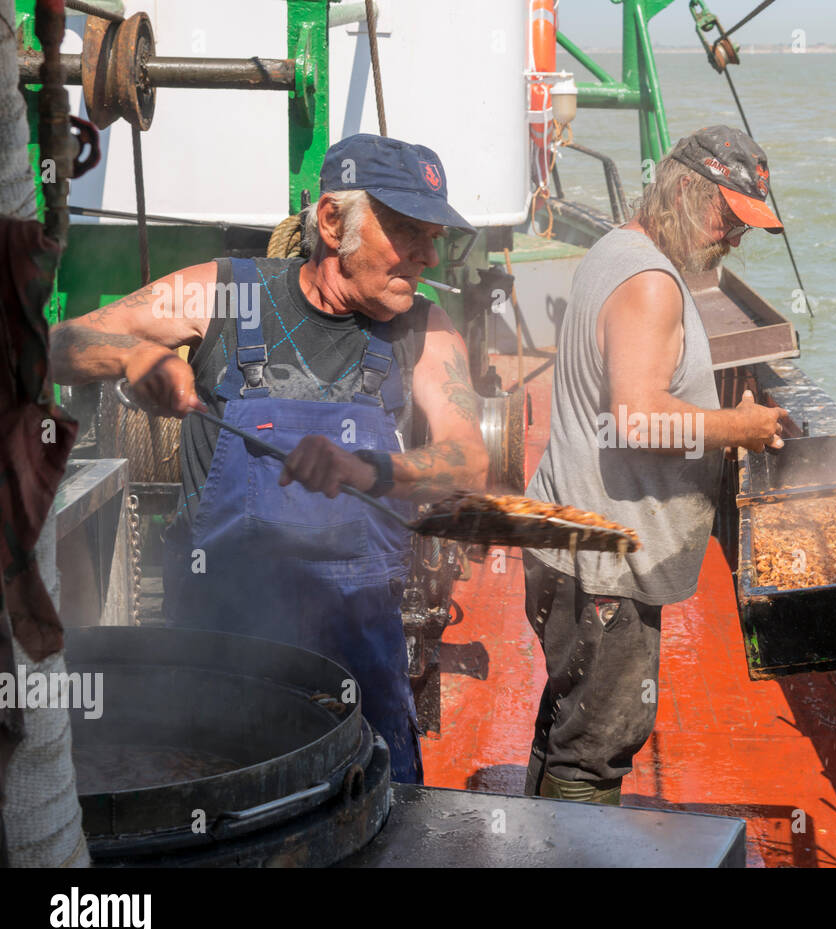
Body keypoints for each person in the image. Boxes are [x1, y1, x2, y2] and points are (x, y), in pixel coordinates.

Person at [49, 134, 489, 783]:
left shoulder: (423, 328)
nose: (428, 254)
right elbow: (56, 344)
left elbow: (469, 460)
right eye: (407, 231)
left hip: (360, 676)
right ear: (334, 221)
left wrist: (371, 470)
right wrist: (131, 356)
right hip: (215, 677)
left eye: (435, 234)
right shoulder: (227, 294)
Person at [522, 126, 791, 804]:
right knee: (593, 751)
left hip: (569, 539)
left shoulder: (616, 248)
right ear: (683, 190)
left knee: (566, 722)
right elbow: (637, 416)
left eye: (745, 228)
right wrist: (742, 428)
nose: (734, 238)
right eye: (728, 217)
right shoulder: (651, 285)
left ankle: (538, 840)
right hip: (603, 562)